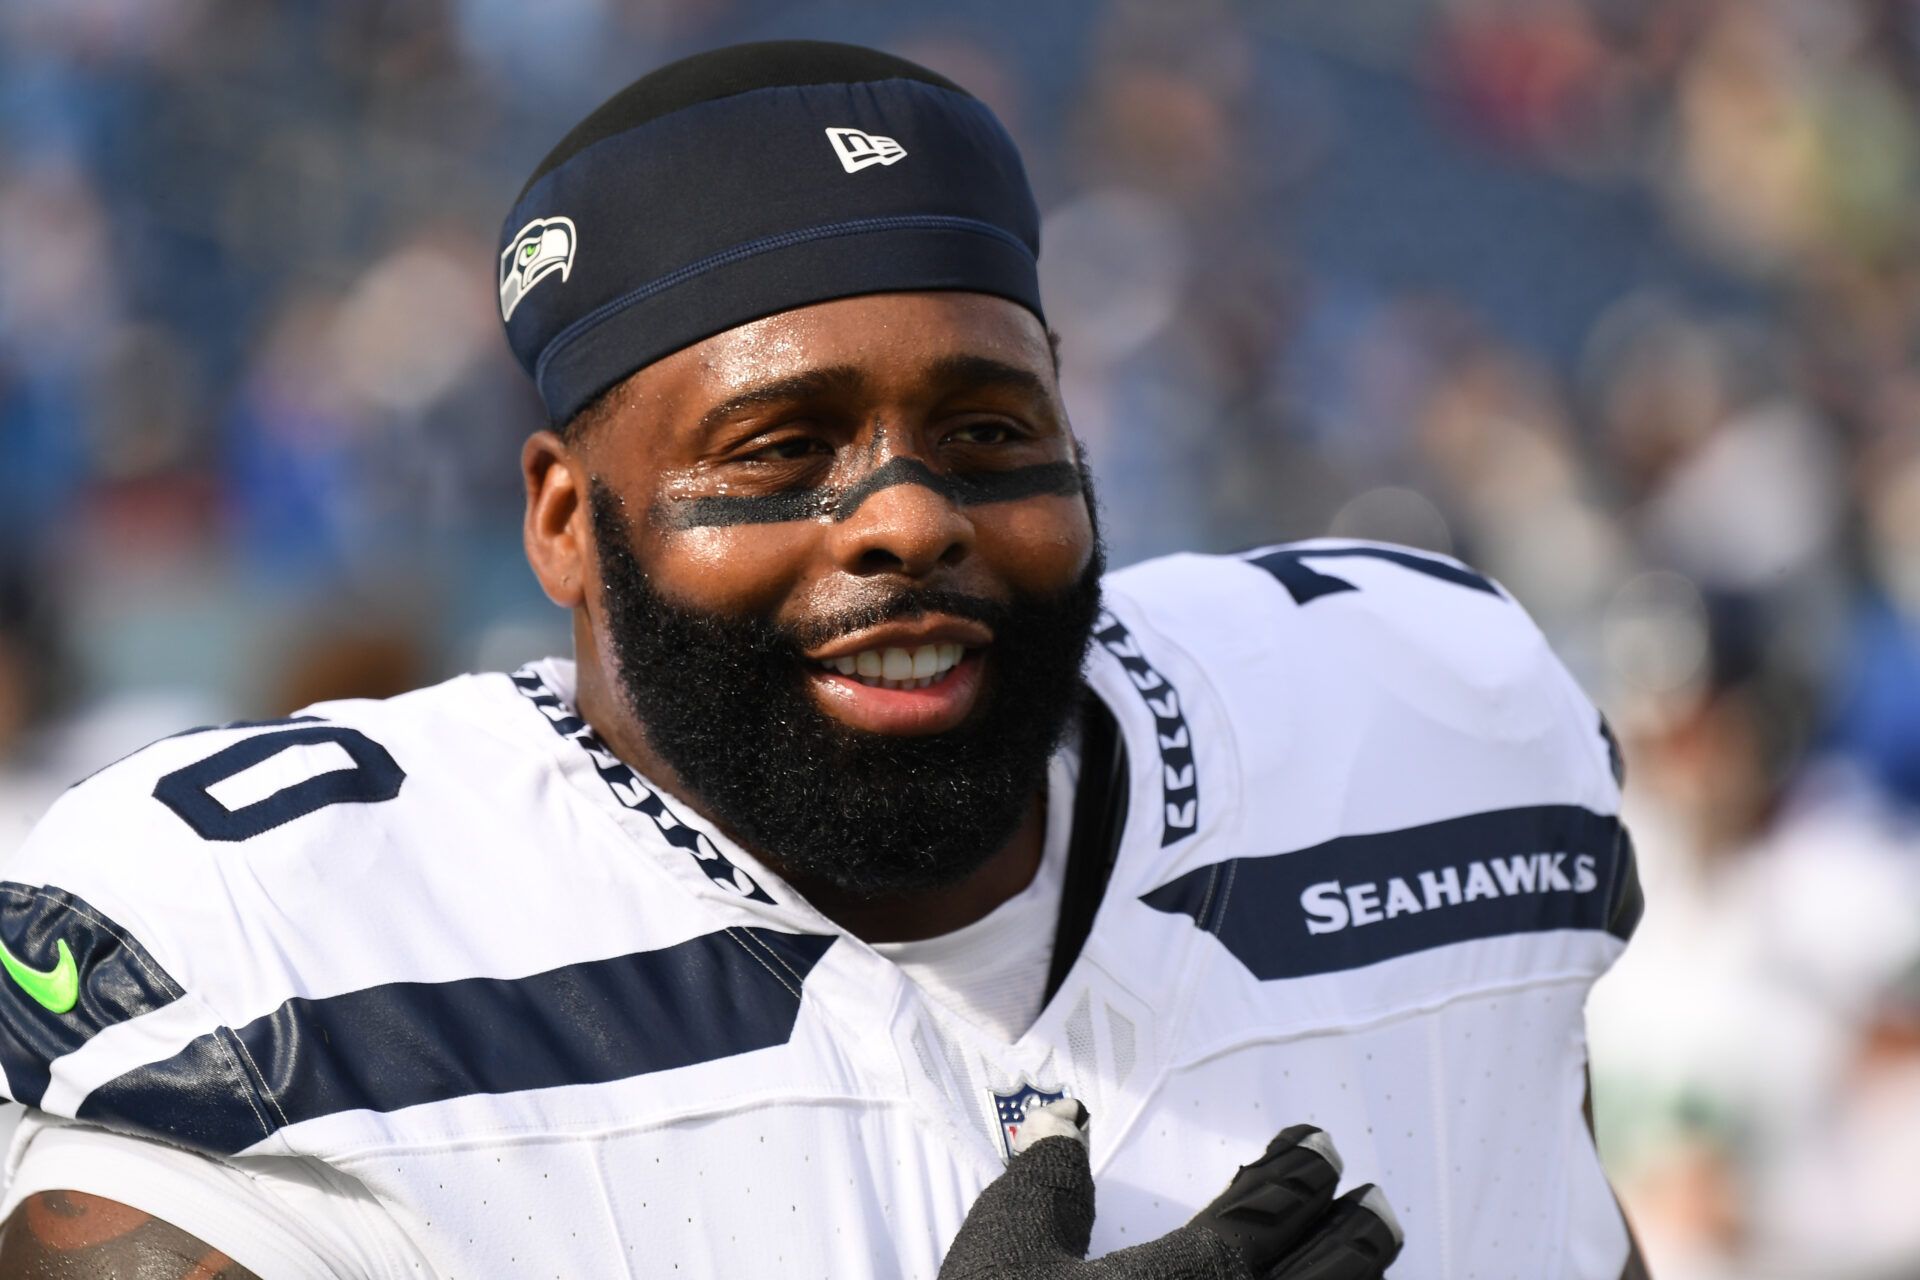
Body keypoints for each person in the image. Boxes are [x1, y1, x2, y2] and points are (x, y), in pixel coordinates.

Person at [0, 41, 1644, 1279]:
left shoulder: (1421, 718)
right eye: (777, 449)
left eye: (987, 427)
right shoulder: (280, 948)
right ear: (568, 520)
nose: (909, 517)